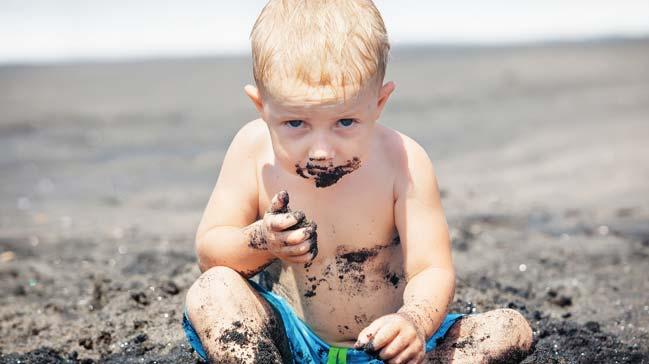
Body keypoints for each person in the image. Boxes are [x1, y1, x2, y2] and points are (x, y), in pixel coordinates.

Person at [183, 0, 533, 362]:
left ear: (379, 102)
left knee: (509, 328)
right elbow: (211, 255)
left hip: (387, 348)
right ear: (262, 106)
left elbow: (432, 268)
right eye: (295, 124)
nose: (321, 151)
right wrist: (263, 240)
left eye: (345, 122)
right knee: (212, 291)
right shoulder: (253, 151)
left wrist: (413, 323)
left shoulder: (403, 161)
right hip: (290, 339)